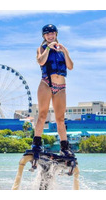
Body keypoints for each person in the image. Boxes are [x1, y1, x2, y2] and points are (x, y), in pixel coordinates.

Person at [31, 24, 74, 158]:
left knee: (60, 119)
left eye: (52, 33)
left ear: (56, 34)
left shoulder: (62, 49)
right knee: (43, 115)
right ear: (44, 36)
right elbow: (41, 61)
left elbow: (70, 66)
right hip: (46, 84)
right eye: (47, 34)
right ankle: (36, 144)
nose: (50, 36)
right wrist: (48, 49)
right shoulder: (41, 48)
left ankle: (64, 147)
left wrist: (65, 51)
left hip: (61, 87)